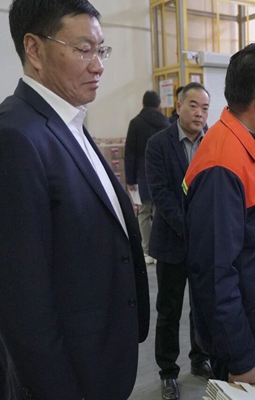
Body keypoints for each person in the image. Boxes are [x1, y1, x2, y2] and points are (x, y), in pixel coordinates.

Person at [0, 1, 150, 399]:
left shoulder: (68, 123)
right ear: (34, 49)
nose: (98, 66)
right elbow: (23, 302)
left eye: (101, 50)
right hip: (70, 377)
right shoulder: (16, 137)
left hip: (101, 359)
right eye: (84, 49)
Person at [183, 43, 255, 386]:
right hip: (245, 341)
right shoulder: (223, 165)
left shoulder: (252, 148)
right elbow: (214, 275)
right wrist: (240, 357)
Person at [146, 82, 212, 400]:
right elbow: (160, 193)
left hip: (204, 245)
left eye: (205, 108)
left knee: (202, 307)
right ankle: (168, 373)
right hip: (172, 242)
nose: (199, 113)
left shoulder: (213, 142)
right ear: (179, 105)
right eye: (193, 105)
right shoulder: (159, 144)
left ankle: (200, 359)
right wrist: (191, 226)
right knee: (169, 311)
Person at [125, 90, 170, 265]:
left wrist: (130, 179)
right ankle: (159, 250)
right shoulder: (166, 123)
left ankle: (147, 250)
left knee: (144, 212)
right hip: (163, 173)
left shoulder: (135, 123)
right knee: (160, 211)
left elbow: (130, 153)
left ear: (143, 104)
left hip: (142, 173)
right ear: (159, 105)